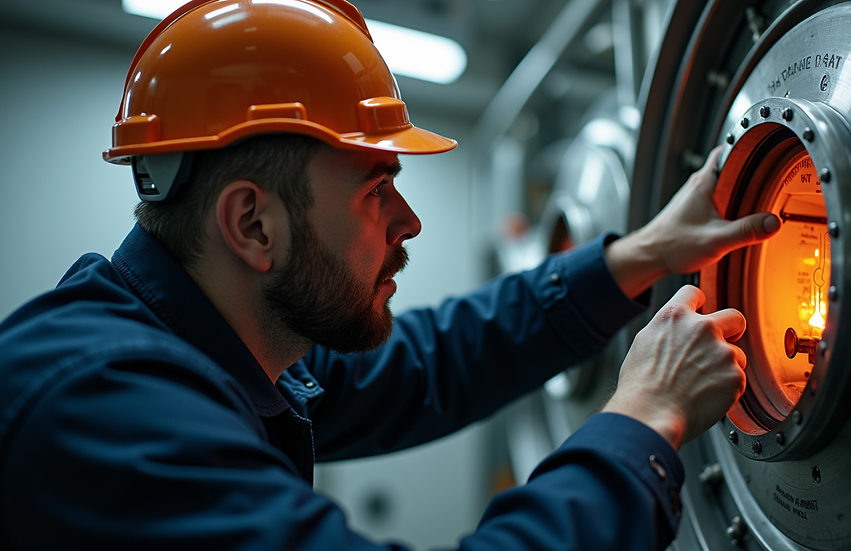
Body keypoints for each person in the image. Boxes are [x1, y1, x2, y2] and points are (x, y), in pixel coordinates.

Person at [0, 1, 780, 549]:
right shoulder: (104, 411)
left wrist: (637, 254)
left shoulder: (220, 352)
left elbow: (432, 359)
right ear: (252, 224)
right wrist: (642, 420)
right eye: (376, 190)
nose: (409, 222)